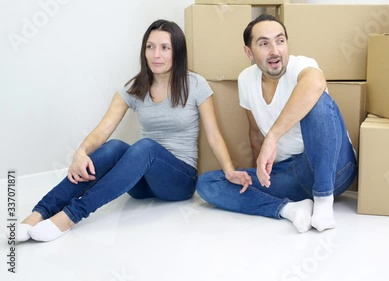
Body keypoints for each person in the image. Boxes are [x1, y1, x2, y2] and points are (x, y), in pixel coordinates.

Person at [14, 19, 251, 242]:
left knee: (146, 147)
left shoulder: (195, 84)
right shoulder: (135, 87)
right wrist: (81, 151)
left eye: (164, 48)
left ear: (177, 51)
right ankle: (39, 212)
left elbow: (214, 136)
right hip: (141, 184)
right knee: (115, 146)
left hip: (178, 181)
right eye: (150, 46)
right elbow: (103, 129)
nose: (156, 54)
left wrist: (229, 170)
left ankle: (70, 217)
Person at [196, 14, 357, 233]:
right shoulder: (246, 79)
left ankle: (322, 201)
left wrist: (272, 137)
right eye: (264, 43)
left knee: (317, 99)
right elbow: (254, 134)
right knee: (208, 183)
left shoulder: (301, 65)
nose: (275, 50)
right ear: (249, 52)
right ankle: (290, 210)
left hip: (335, 169)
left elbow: (316, 82)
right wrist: (259, 176)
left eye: (280, 41)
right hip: (291, 175)